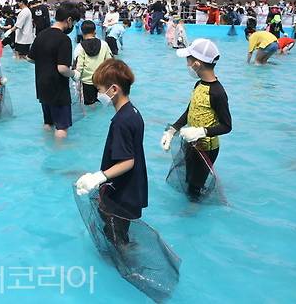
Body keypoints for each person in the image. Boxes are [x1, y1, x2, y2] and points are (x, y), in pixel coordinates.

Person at [75, 58, 148, 244]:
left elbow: (127, 161)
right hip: (132, 188)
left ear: (114, 89)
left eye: (100, 90)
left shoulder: (120, 122)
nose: (99, 94)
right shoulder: (133, 112)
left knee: (116, 239)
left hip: (121, 194)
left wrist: (98, 177)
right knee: (120, 233)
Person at [160, 39, 232, 200]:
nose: (187, 64)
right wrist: (172, 130)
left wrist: (202, 131)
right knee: (187, 179)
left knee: (195, 188)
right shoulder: (199, 84)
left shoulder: (218, 93)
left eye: (188, 60)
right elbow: (189, 112)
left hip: (206, 149)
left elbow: (227, 126)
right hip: (191, 144)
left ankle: (192, 212)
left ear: (197, 64)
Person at [28, 2, 81, 139]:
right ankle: (60, 154)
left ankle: (47, 144)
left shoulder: (41, 35)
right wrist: (74, 74)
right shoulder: (64, 40)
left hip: (41, 85)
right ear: (69, 20)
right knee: (61, 127)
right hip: (57, 88)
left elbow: (30, 58)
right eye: (73, 22)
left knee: (48, 123)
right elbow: (62, 69)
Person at [73, 20, 113, 105]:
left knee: (90, 106)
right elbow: (110, 63)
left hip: (87, 83)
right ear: (95, 31)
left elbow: (78, 68)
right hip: (102, 81)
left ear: (81, 31)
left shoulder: (79, 47)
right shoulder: (104, 44)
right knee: (103, 104)